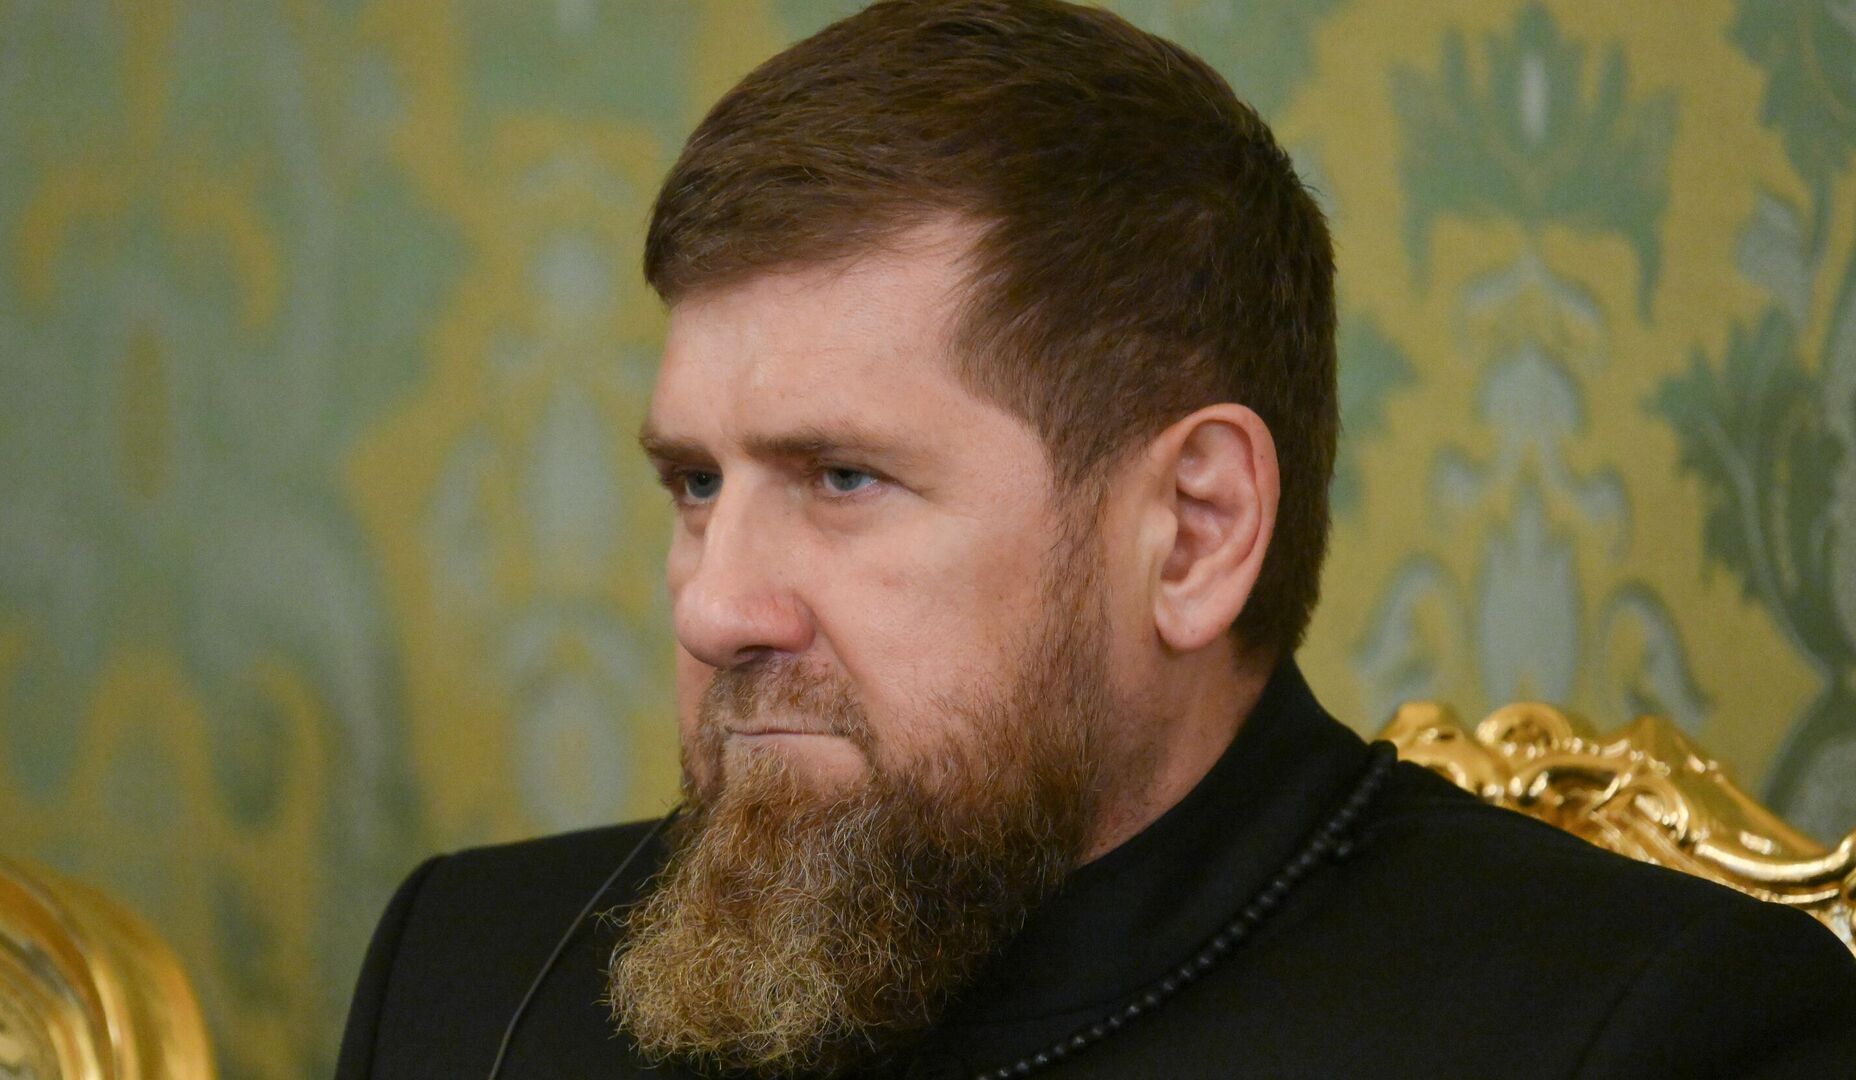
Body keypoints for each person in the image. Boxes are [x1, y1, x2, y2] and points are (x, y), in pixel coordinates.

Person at [333, 2, 1856, 1077]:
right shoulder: (473, 978)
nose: (714, 606)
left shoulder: (1640, 1031)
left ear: (1193, 531)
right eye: (692, 483)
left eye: (843, 478)